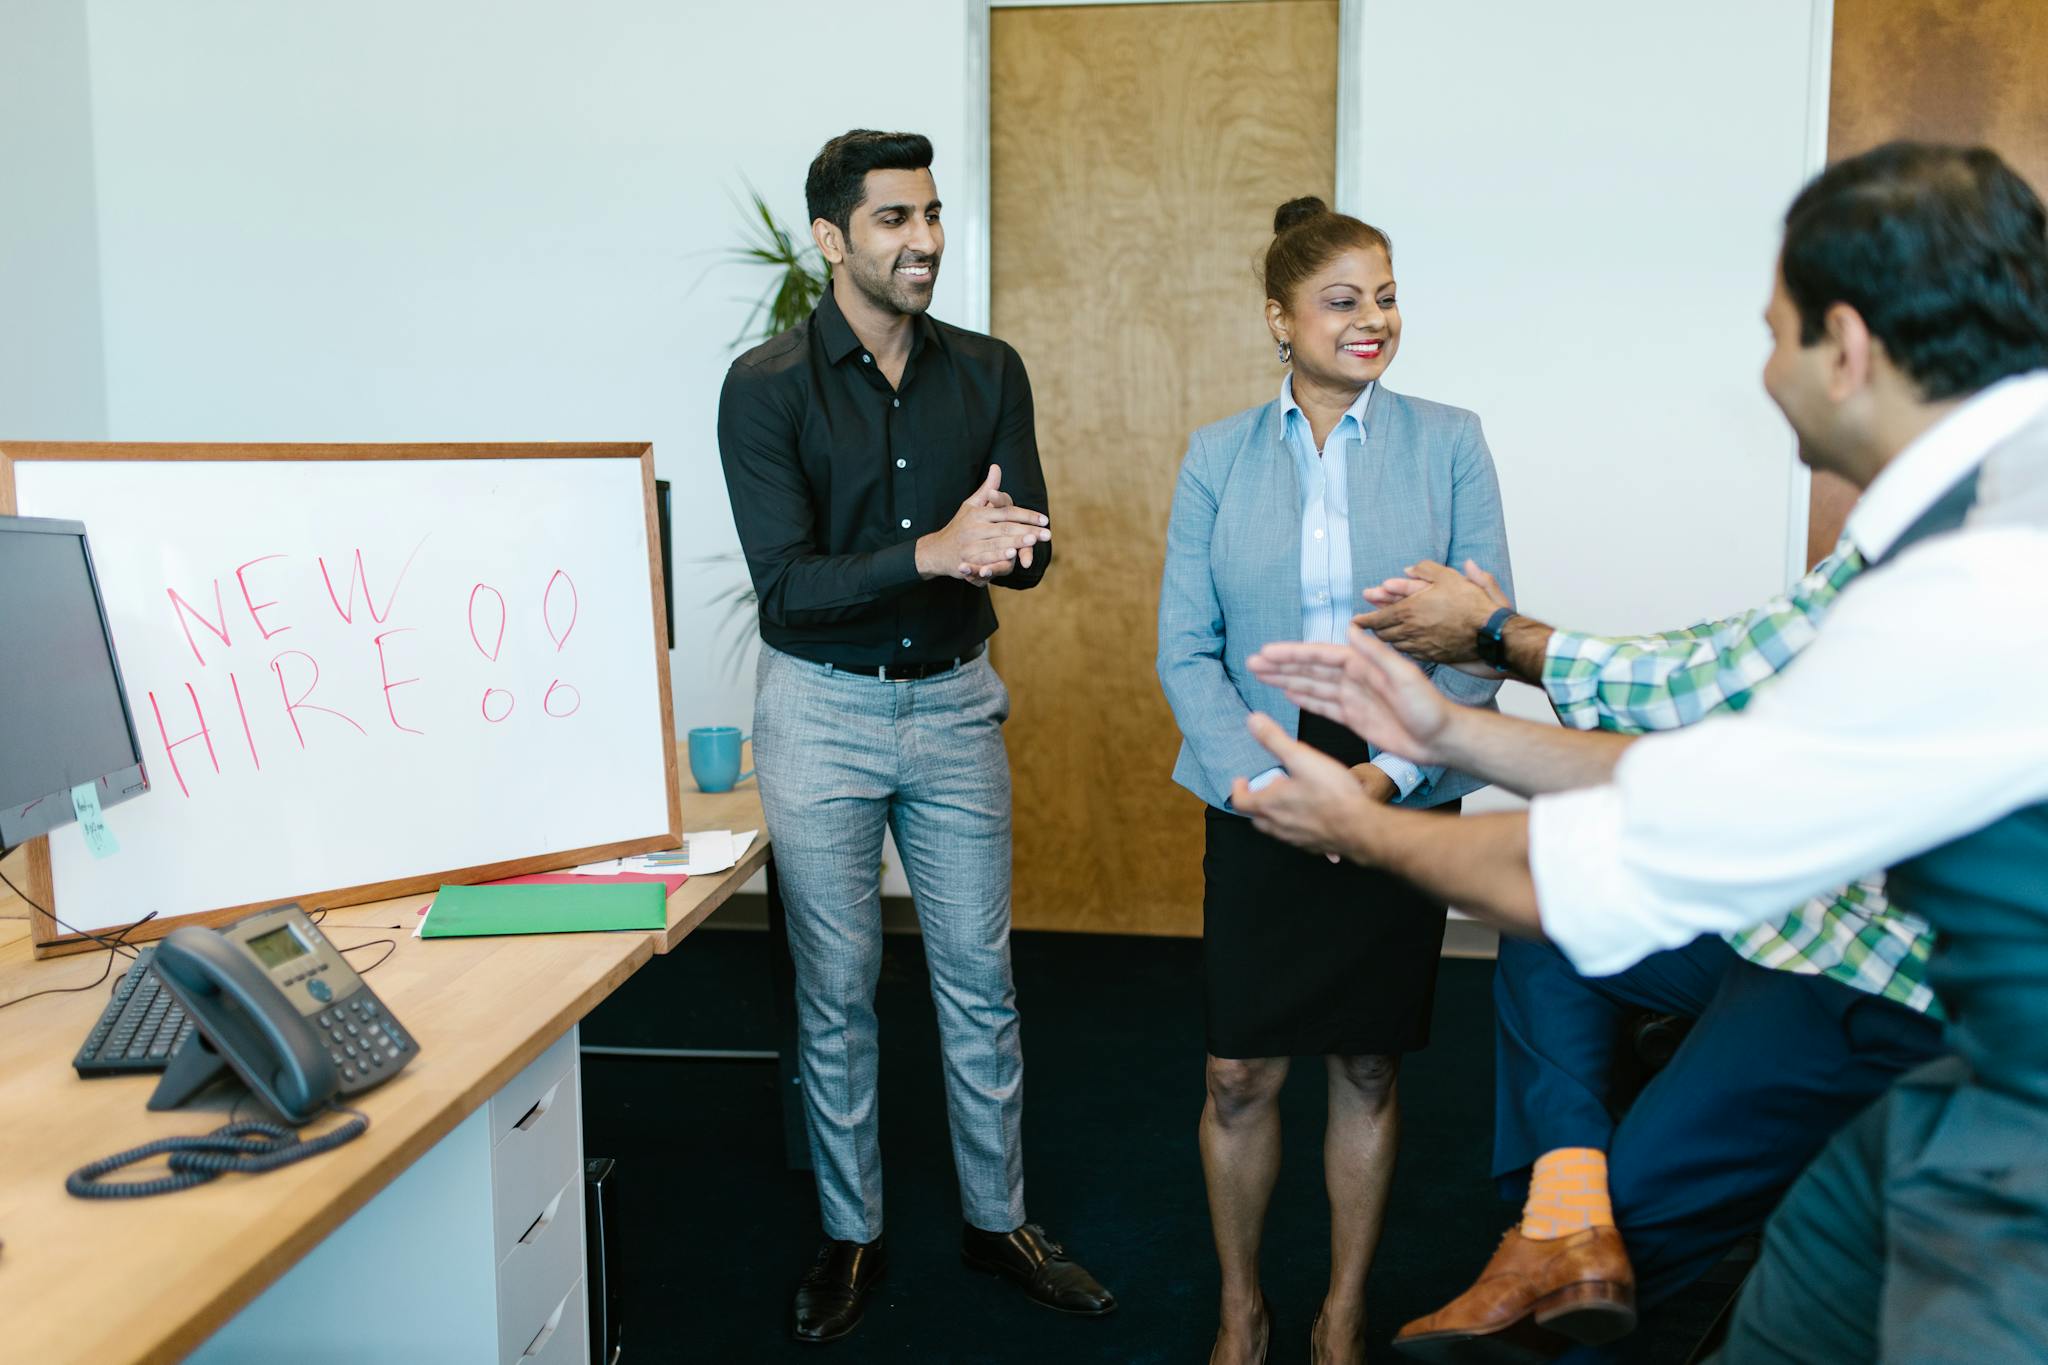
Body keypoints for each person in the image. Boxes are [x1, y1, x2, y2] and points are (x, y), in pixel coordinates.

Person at [1234, 142, 2048, 1362]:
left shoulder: (1967, 573)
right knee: (1760, 1263)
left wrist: (1362, 822)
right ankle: (1557, 1219)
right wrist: (1450, 727)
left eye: (1770, 335)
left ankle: (1570, 1251)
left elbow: (1654, 828)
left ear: (1847, 346)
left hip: (1936, 1045)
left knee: (1633, 1253)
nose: (1761, 373)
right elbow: (1717, 733)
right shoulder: (1971, 504)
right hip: (1884, 974)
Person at [1327, 528, 1948, 1359]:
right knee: (1562, 914)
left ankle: (1571, 1251)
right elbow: (1729, 649)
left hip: (1877, 971)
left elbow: (1714, 685)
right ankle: (1561, 1202)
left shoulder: (1972, 532)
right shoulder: (1902, 528)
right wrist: (1504, 640)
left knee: (1623, 1243)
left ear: (1861, 383)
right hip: (1807, 901)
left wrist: (1498, 635)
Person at [717, 129, 1115, 1345]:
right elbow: (785, 590)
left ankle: (998, 1223)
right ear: (831, 239)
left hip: (952, 706)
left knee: (978, 984)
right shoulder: (766, 384)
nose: (925, 240)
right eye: (894, 219)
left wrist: (1005, 545)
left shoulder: (989, 370)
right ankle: (852, 1236)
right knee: (835, 992)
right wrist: (930, 552)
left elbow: (1028, 554)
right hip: (820, 713)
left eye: (931, 214)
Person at [1156, 196, 1513, 1365]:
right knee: (1237, 1068)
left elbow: (1481, 640)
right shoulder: (1215, 454)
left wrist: (1389, 783)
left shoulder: (1447, 439)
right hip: (1255, 774)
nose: (1373, 320)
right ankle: (1240, 1308)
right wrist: (1258, 786)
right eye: (1343, 300)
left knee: (1365, 1059)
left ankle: (1341, 1312)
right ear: (1279, 316)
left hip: (1397, 768)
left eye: (1387, 297)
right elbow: (1184, 650)